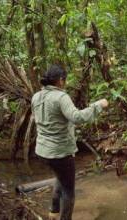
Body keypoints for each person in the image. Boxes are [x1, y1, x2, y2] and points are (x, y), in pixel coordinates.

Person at [31, 65, 108, 220]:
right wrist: (98, 106)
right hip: (59, 152)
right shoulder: (61, 97)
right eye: (64, 80)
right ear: (60, 80)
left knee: (61, 176)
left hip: (42, 151)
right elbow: (77, 117)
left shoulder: (36, 96)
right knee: (69, 190)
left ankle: (53, 210)